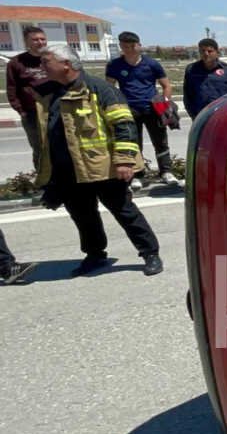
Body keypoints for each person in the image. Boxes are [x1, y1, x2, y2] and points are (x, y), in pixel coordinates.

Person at [35, 44, 163, 277]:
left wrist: (124, 161)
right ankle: (95, 255)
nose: (42, 66)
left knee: (124, 211)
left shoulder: (99, 89)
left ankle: (150, 253)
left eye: (46, 61)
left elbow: (124, 125)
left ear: (66, 64)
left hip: (103, 168)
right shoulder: (49, 93)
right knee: (83, 216)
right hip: (70, 170)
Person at [104, 31, 177, 189]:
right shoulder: (114, 65)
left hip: (152, 108)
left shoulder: (152, 64)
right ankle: (138, 175)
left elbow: (166, 85)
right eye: (125, 46)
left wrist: (165, 104)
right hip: (128, 110)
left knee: (160, 142)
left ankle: (166, 171)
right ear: (121, 47)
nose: (130, 49)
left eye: (133, 46)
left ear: (139, 45)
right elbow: (109, 88)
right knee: (134, 144)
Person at [5, 26, 49, 171]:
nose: (40, 42)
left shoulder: (52, 58)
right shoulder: (16, 63)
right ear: (26, 42)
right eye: (35, 40)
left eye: (43, 39)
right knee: (39, 148)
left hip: (55, 110)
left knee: (61, 146)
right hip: (31, 113)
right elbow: (12, 90)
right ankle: (43, 181)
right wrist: (21, 111)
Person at [182, 38, 227, 118]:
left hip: (224, 116)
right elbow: (188, 97)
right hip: (201, 117)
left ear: (217, 52)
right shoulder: (191, 70)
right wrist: (195, 117)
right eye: (202, 51)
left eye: (210, 51)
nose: (206, 54)